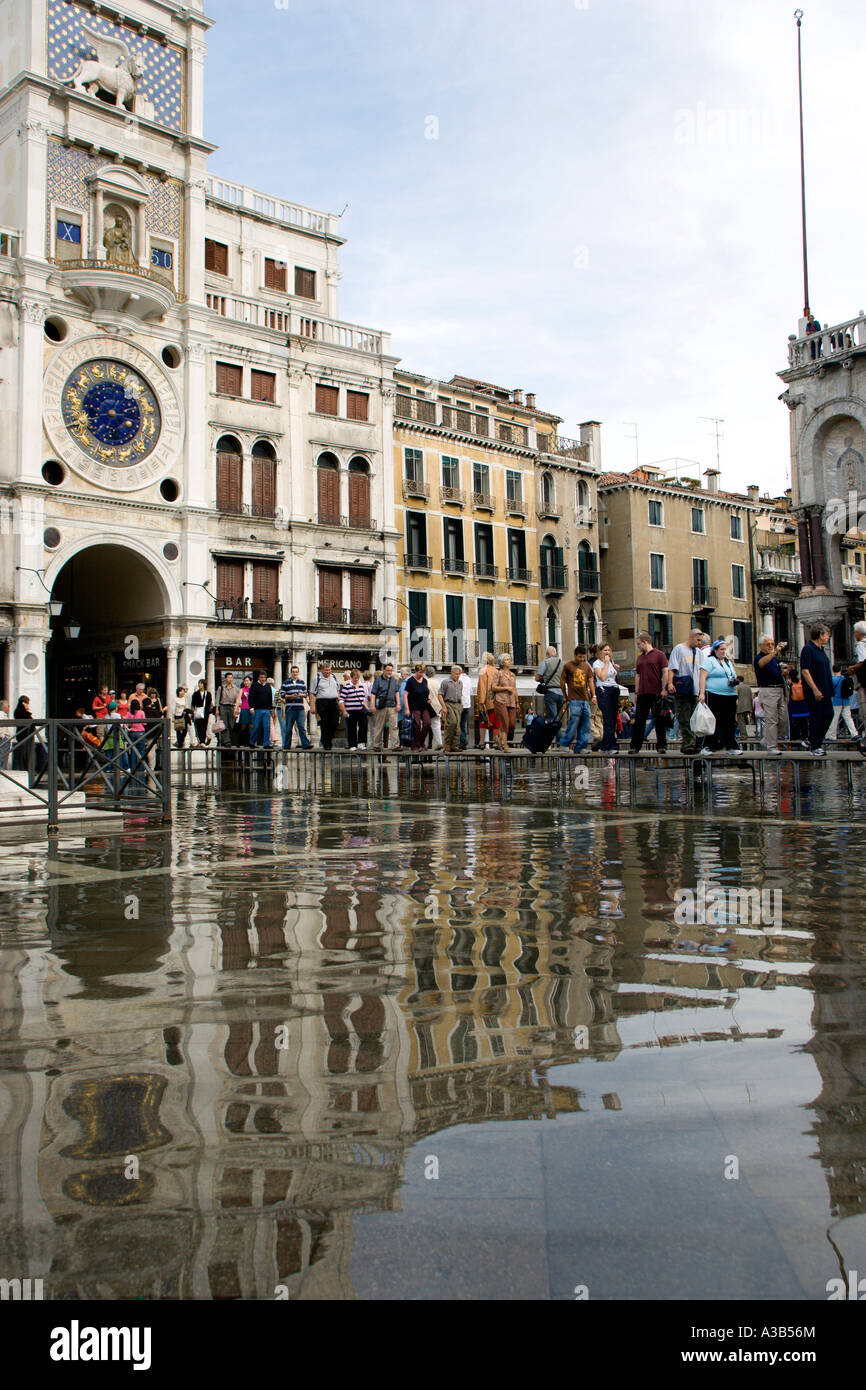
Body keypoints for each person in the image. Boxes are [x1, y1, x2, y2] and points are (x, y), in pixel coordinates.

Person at [665, 628, 706, 755]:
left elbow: (703, 671)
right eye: (698, 640)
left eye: (701, 641)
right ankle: (688, 743)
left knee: (694, 718)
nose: (700, 643)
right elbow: (672, 668)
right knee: (684, 717)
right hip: (682, 688)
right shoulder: (679, 649)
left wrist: (702, 691)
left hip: (695, 690)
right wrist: (670, 683)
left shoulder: (699, 653)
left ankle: (693, 743)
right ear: (692, 637)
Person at [697, 638, 741, 755]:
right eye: (721, 649)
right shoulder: (709, 661)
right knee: (713, 720)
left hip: (730, 695)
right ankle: (707, 746)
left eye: (725, 649)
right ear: (715, 650)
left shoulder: (728, 662)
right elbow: (702, 677)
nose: (723, 652)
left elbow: (733, 676)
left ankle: (731, 746)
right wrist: (702, 693)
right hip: (714, 694)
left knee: (729, 722)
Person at [629, 632, 668, 754]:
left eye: (639, 644)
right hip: (643, 692)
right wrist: (636, 692)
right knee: (639, 719)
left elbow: (665, 672)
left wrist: (664, 688)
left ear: (645, 642)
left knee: (659, 719)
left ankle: (661, 745)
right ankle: (635, 746)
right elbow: (637, 675)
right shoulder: (640, 658)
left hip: (656, 691)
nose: (638, 646)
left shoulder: (660, 655)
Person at [799, 623, 834, 756]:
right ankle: (815, 746)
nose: (828, 637)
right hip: (815, 690)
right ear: (820, 635)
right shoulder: (808, 649)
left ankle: (811, 739)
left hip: (825, 689)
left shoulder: (821, 650)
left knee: (828, 715)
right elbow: (805, 671)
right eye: (826, 634)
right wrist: (814, 689)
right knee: (817, 717)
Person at [753, 635, 789, 753]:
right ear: (761, 646)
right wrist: (775, 652)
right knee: (771, 720)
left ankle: (767, 739)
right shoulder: (759, 657)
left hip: (779, 690)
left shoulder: (774, 659)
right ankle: (771, 746)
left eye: (772, 644)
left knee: (784, 719)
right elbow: (762, 663)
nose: (770, 646)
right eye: (768, 644)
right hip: (768, 690)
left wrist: (783, 672)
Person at [559, 644, 597, 754]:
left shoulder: (586, 666)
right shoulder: (568, 666)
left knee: (586, 723)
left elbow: (590, 681)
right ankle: (565, 743)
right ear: (575, 655)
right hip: (574, 698)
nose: (581, 659)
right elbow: (562, 682)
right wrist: (565, 696)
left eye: (583, 657)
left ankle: (580, 747)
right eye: (579, 657)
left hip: (585, 699)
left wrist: (593, 695)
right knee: (574, 721)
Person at [592, 643, 621, 753]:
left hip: (614, 689)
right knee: (608, 718)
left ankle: (604, 745)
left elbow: (612, 677)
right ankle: (612, 746)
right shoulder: (597, 664)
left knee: (613, 719)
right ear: (600, 651)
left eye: (609, 650)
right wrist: (607, 663)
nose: (607, 652)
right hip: (604, 690)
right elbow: (602, 677)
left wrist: (615, 669)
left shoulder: (611, 662)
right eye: (605, 650)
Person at [488, 654, 518, 750]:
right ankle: (505, 745)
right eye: (506, 660)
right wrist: (506, 688)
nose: (509, 661)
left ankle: (499, 738)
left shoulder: (513, 675)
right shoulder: (498, 673)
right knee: (505, 722)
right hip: (500, 700)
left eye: (509, 659)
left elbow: (515, 689)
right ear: (502, 662)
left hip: (511, 701)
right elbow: (493, 687)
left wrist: (517, 702)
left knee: (512, 724)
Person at [278, 666, 312, 749]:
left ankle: (306, 744)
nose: (295, 673)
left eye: (296, 672)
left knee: (301, 727)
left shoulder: (301, 682)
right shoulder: (286, 683)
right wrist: (291, 696)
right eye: (293, 672)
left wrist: (301, 695)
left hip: (300, 708)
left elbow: (306, 694)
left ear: (298, 672)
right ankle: (286, 745)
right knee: (289, 727)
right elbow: (282, 695)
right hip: (290, 708)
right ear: (291, 673)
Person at [368, 663, 400, 751]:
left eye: (391, 670)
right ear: (384, 670)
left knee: (394, 726)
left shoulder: (393, 680)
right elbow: (373, 693)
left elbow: (396, 692)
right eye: (388, 670)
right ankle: (376, 745)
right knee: (379, 726)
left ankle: (395, 745)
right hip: (381, 707)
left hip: (392, 706)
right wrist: (372, 705)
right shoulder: (378, 680)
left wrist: (398, 704)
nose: (390, 672)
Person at [310, 662, 340, 751]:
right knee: (324, 723)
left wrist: (339, 700)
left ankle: (326, 739)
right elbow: (312, 693)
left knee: (334, 722)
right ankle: (326, 743)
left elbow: (337, 689)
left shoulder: (333, 677)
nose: (328, 672)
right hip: (322, 702)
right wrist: (312, 706)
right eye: (326, 670)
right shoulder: (317, 678)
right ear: (322, 670)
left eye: (329, 670)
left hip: (333, 701)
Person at [828, 663, 859, 741]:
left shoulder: (833, 680)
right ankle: (854, 734)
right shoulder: (845, 679)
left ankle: (831, 735)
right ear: (840, 670)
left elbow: (830, 691)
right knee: (848, 718)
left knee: (835, 719)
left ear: (833, 671)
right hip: (846, 701)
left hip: (836, 701)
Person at [339, 668, 369, 749]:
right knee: (351, 728)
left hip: (360, 710)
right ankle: (352, 745)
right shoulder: (347, 687)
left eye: (358, 678)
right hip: (350, 710)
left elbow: (363, 699)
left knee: (363, 725)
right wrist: (344, 711)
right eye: (355, 678)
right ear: (351, 677)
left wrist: (367, 708)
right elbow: (341, 700)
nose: (356, 680)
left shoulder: (361, 686)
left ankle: (361, 743)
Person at [405, 664, 432, 750]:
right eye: (420, 672)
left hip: (424, 706)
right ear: (416, 671)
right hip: (414, 706)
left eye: (423, 672)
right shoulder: (410, 681)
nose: (422, 674)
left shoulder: (424, 681)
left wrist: (428, 698)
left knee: (427, 723)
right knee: (417, 726)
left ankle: (421, 742)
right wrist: (407, 709)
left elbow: (426, 692)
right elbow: (405, 694)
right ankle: (415, 744)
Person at [536, 645, 564, 722]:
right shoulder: (563, 663)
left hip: (551, 692)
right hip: (561, 693)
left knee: (553, 719)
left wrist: (544, 679)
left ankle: (560, 734)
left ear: (547, 654)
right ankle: (556, 733)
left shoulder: (546, 662)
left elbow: (537, 677)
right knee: (557, 716)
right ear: (556, 653)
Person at [440, 665, 465, 751]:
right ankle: (447, 744)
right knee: (452, 723)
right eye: (456, 674)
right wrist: (443, 707)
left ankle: (455, 745)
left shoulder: (460, 683)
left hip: (457, 705)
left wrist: (461, 705)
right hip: (448, 703)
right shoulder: (445, 682)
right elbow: (440, 695)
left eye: (459, 674)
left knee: (458, 726)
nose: (457, 676)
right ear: (452, 673)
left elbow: (460, 695)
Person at [476, 651, 497, 749]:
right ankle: (496, 741)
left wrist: (481, 702)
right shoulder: (496, 670)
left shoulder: (483, 671)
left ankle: (481, 742)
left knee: (483, 721)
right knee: (496, 721)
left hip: (487, 701)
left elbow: (482, 687)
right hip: (496, 700)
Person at [248, 669, 274, 748]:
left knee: (267, 727)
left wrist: (271, 708)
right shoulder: (254, 685)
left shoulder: (268, 686)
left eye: (264, 677)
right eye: (261, 677)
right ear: (258, 677)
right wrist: (251, 707)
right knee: (256, 727)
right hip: (257, 709)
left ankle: (266, 744)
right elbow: (251, 697)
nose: (263, 679)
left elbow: (270, 698)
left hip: (266, 710)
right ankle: (252, 743)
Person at [848, 620, 866, 733]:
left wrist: (852, 668)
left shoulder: (860, 645)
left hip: (863, 682)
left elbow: (863, 662)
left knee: (864, 711)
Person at [787, 667, 810, 745]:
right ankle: (805, 736)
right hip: (803, 705)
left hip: (794, 705)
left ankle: (795, 736)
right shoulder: (802, 682)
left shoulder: (790, 684)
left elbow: (788, 695)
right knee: (804, 723)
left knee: (795, 722)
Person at [216, 672, 238, 747]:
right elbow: (217, 700)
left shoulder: (235, 688)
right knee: (224, 725)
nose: (230, 679)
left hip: (232, 706)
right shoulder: (221, 688)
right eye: (228, 677)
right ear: (225, 678)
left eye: (231, 678)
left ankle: (233, 740)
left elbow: (237, 699)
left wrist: (236, 708)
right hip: (223, 706)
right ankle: (227, 741)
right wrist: (217, 709)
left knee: (232, 724)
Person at [425, 667, 445, 750]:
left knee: (425, 726)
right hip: (437, 707)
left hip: (428, 706)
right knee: (436, 725)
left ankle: (425, 744)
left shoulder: (425, 682)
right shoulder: (438, 683)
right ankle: (439, 742)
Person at [190, 679, 212, 746]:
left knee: (204, 726)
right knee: (199, 726)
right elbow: (193, 703)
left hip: (205, 712)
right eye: (199, 683)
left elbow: (209, 703)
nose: (200, 685)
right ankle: (201, 741)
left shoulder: (208, 693)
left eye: (201, 683)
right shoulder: (196, 694)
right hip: (198, 711)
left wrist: (208, 711)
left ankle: (203, 740)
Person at [234, 675, 253, 747]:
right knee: (243, 726)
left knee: (251, 726)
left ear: (250, 681)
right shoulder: (242, 690)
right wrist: (236, 709)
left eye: (247, 681)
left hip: (251, 709)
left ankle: (250, 742)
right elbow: (238, 699)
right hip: (244, 708)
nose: (246, 682)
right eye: (245, 681)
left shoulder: (253, 689)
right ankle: (239, 742)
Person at [458, 666, 473, 749]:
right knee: (462, 724)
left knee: (457, 723)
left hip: (460, 704)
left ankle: (462, 741)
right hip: (467, 704)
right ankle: (463, 740)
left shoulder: (457, 678)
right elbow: (470, 691)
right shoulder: (469, 679)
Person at [0, 698, 11, 769]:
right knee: (2, 756)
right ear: (5, 707)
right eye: (8, 706)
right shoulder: (1, 715)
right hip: (3, 738)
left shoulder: (4, 715)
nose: (9, 708)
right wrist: (2, 735)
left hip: (5, 738)